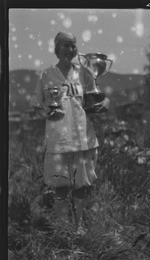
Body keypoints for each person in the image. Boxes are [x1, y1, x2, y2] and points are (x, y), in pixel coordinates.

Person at [31, 31, 110, 231]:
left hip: (83, 137)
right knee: (60, 185)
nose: (70, 49)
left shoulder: (84, 72)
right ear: (57, 49)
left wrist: (106, 103)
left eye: (73, 45)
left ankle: (77, 225)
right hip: (59, 138)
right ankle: (62, 225)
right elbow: (37, 103)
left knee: (82, 185)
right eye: (65, 45)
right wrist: (47, 111)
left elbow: (98, 98)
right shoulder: (47, 74)